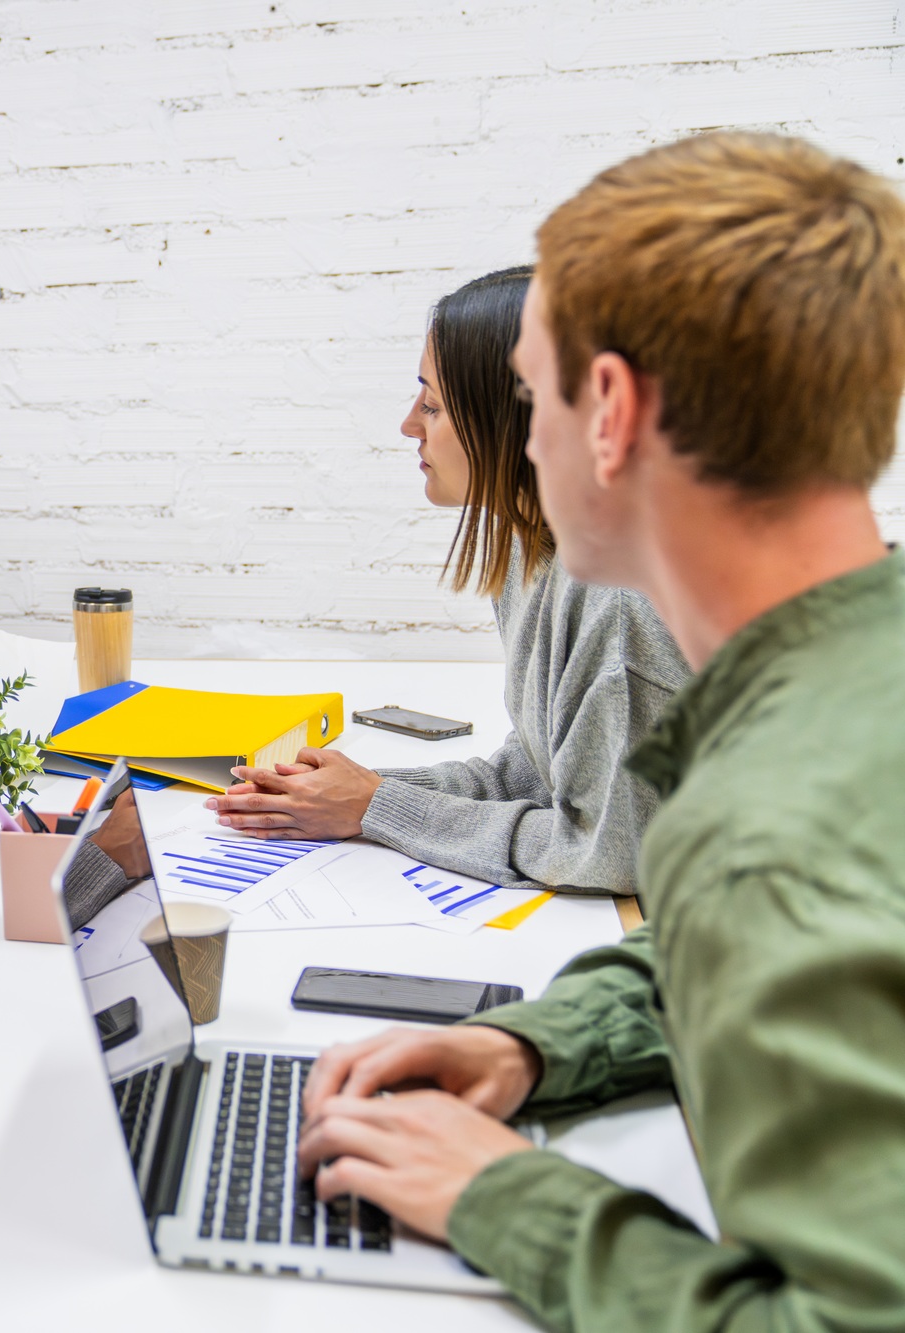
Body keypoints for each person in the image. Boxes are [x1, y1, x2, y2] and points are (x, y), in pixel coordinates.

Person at [299, 132, 905, 1330]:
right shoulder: (834, 687)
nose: (520, 441)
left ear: (609, 413)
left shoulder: (770, 838)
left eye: (531, 397)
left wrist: (503, 1196)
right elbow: (733, 951)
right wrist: (539, 1045)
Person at [207, 267, 689, 894]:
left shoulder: (621, 604)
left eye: (432, 405)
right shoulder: (535, 546)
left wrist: (377, 807)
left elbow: (609, 853)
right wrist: (356, 790)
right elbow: (543, 773)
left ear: (516, 421)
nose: (410, 425)